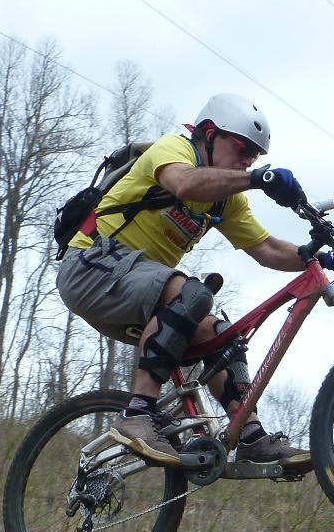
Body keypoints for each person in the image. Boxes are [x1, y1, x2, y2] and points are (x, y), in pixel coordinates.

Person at [56, 93, 317, 468]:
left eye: (255, 157)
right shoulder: (174, 149)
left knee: (221, 336)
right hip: (89, 267)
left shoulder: (225, 201)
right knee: (191, 294)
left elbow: (266, 249)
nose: (247, 160)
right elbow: (186, 184)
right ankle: (137, 415)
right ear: (209, 133)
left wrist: (313, 256)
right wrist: (256, 178)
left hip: (139, 291)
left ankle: (251, 436)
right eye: (242, 148)